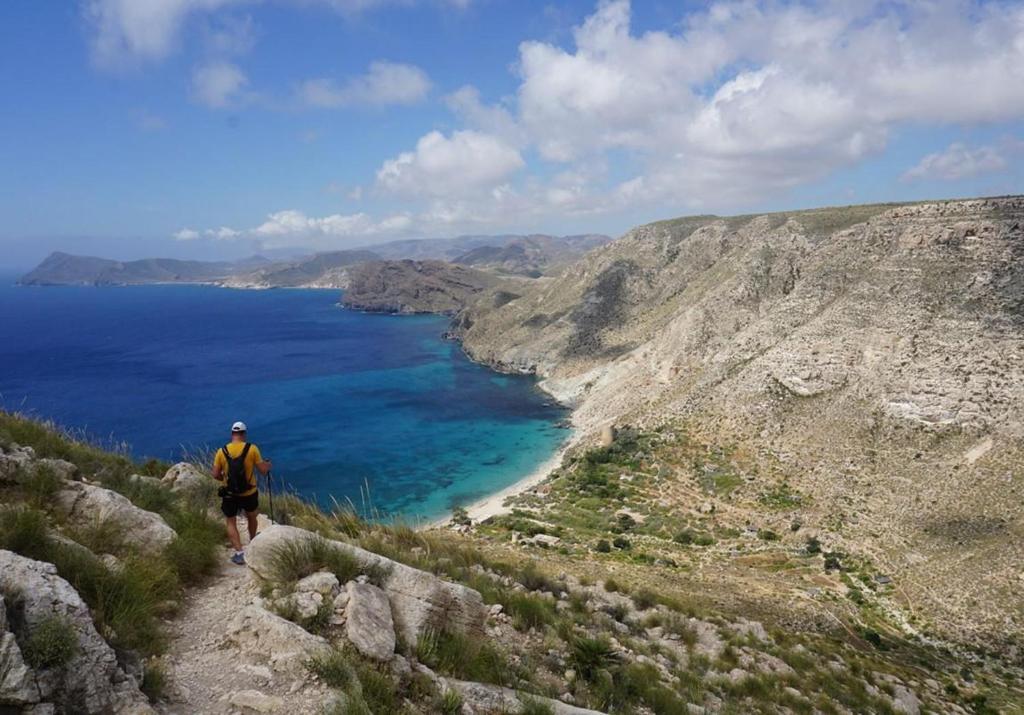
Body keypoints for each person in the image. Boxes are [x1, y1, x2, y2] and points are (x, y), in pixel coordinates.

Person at [212, 421, 272, 565]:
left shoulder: (221, 451)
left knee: (231, 521)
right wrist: (268, 465)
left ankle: (239, 553)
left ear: (232, 434)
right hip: (249, 492)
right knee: (251, 516)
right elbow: (263, 471)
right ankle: (252, 542)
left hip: (229, 493)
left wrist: (223, 479)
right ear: (244, 434)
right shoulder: (252, 449)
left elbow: (215, 474)